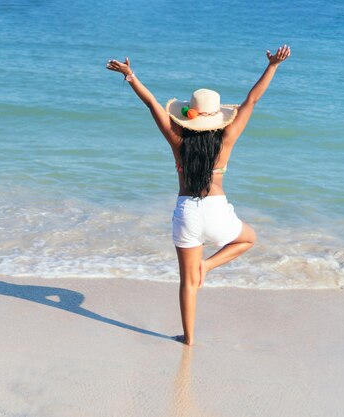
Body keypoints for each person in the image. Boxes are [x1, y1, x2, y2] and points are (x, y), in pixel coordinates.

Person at [106, 45, 291, 346]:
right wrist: (272, 66)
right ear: (217, 118)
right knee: (248, 239)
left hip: (187, 213)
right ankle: (208, 265)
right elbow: (252, 100)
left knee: (188, 282)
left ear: (187, 117)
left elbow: (151, 103)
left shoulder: (177, 140)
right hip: (218, 211)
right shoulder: (227, 140)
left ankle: (189, 338)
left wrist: (130, 76)